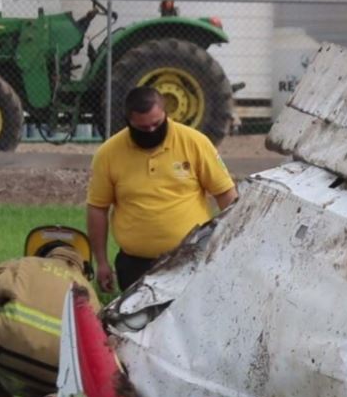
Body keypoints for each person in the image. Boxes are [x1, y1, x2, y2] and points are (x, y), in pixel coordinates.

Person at [87, 87, 237, 292]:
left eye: (156, 124)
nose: (150, 131)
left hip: (189, 261)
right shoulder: (108, 154)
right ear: (128, 121)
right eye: (142, 127)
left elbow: (226, 195)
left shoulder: (195, 143)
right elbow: (97, 208)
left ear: (166, 114)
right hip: (135, 265)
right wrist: (102, 262)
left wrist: (232, 246)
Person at [0, 226, 101, 397]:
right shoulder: (90, 293)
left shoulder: (24, 265)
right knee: (52, 361)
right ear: (84, 266)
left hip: (0, 354)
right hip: (57, 376)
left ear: (40, 253)